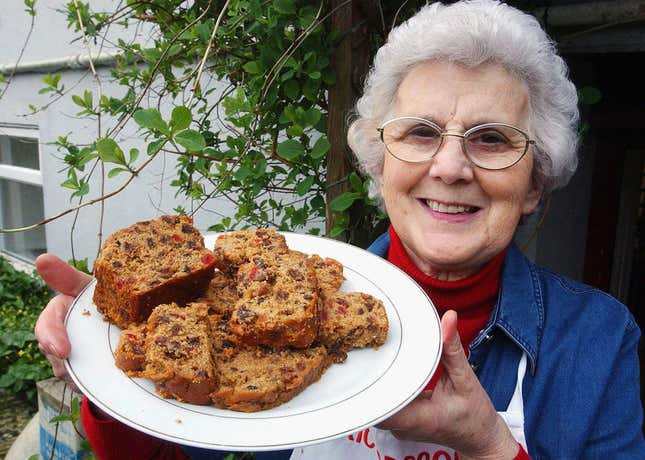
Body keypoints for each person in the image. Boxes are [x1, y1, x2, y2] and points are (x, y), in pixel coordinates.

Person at [35, 0, 645, 458]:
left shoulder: (598, 342)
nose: (451, 167)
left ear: (534, 182)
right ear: (382, 166)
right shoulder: (274, 310)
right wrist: (112, 375)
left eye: (492, 139)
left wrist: (487, 444)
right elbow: (170, 449)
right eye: (421, 133)